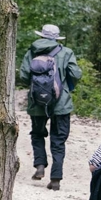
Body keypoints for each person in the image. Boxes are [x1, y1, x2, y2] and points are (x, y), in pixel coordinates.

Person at [20, 24, 82, 191]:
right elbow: (76, 74)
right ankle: (56, 178)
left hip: (37, 103)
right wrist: (66, 87)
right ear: (56, 37)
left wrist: (36, 88)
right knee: (58, 139)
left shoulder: (32, 51)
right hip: (61, 103)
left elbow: (24, 75)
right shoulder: (66, 52)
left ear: (41, 35)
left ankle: (40, 165)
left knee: (37, 134)